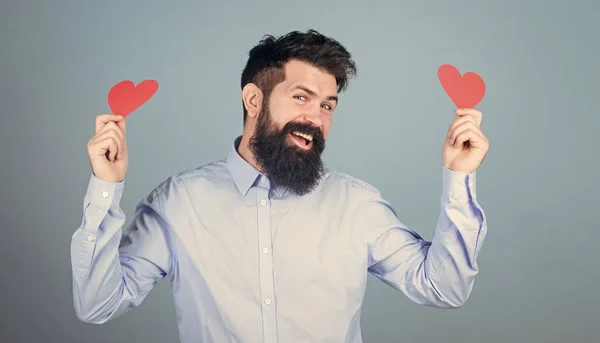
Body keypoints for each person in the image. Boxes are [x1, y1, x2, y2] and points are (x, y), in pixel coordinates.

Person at [71, 29, 489, 343]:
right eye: (302, 97)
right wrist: (105, 188)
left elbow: (444, 288)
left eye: (327, 105)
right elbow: (98, 304)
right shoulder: (180, 202)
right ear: (254, 100)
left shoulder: (355, 204)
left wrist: (459, 177)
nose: (317, 117)